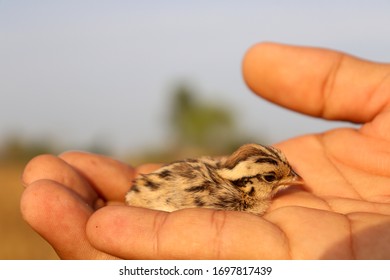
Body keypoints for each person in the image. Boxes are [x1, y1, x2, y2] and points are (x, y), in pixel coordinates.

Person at [20, 42, 390, 259]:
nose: (290, 180)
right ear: (248, 186)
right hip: (148, 197)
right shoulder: (232, 199)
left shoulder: (219, 172)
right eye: (271, 177)